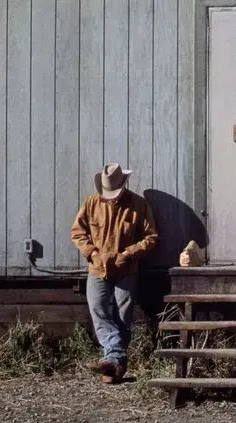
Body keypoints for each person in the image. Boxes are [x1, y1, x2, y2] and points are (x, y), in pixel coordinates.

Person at [70, 163, 159, 383]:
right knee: (98, 309)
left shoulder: (138, 204)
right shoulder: (90, 203)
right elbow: (78, 233)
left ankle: (113, 365)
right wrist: (91, 253)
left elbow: (151, 237)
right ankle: (116, 360)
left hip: (126, 269)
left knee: (123, 315)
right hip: (97, 268)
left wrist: (129, 253)